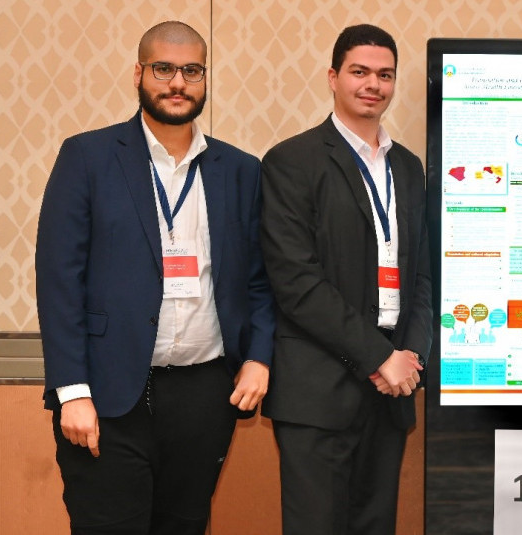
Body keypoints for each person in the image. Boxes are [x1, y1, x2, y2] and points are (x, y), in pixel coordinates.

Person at [35, 20, 274, 535]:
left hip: (204, 396)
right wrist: (71, 390)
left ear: (205, 78)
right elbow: (59, 281)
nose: (178, 83)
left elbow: (259, 280)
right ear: (138, 74)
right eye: (163, 69)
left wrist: (258, 357)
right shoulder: (88, 157)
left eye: (192, 71)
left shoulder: (240, 170)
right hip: (107, 393)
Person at [259, 24, 432, 535]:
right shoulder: (292, 161)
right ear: (333, 78)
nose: (373, 84)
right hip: (319, 393)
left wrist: (410, 356)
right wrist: (378, 356)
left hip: (391, 390)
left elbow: (422, 275)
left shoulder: (408, 168)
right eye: (360, 72)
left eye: (385, 75)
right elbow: (297, 283)